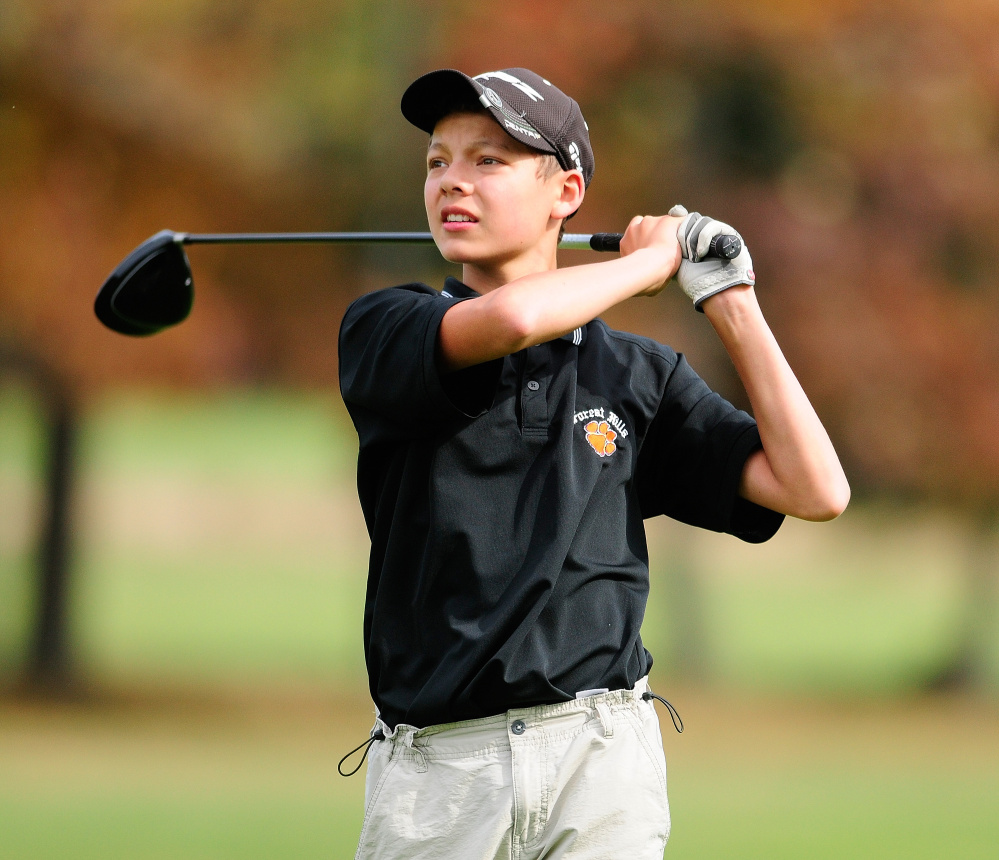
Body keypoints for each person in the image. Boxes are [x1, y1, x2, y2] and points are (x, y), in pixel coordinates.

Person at [337, 67, 849, 860]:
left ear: (565, 192)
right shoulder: (387, 326)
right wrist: (652, 266)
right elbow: (509, 318)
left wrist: (728, 294)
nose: (451, 182)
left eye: (488, 161)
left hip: (600, 757)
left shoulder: (639, 378)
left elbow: (816, 489)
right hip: (441, 777)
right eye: (437, 162)